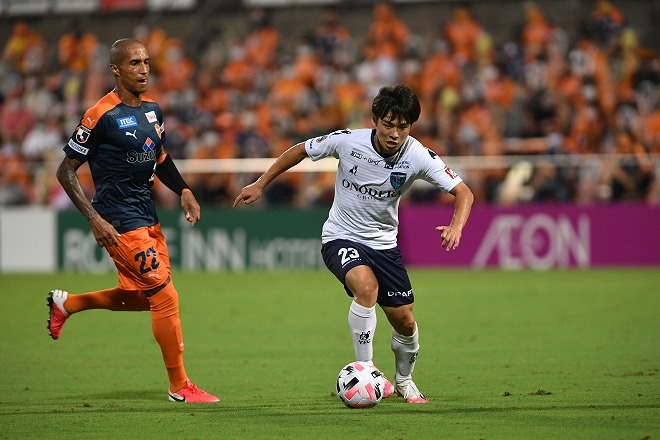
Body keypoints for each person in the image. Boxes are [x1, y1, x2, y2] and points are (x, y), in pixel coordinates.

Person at [234, 84, 474, 403]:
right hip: (340, 236)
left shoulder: (417, 155)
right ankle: (368, 369)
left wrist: (457, 226)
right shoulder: (349, 141)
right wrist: (261, 183)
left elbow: (463, 192)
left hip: (385, 246)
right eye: (388, 124)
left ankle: (403, 380)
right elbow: (301, 149)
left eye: (403, 126)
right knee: (366, 288)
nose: (395, 133)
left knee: (405, 320)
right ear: (375, 120)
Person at [48, 38, 219, 403]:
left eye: (146, 62)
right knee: (165, 295)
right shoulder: (100, 115)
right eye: (134, 63)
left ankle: (69, 305)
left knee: (146, 297)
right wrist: (95, 219)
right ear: (116, 69)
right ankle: (180, 387)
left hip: (147, 215)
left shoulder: (154, 110)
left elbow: (159, 156)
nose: (143, 70)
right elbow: (65, 171)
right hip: (117, 218)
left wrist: (184, 190)